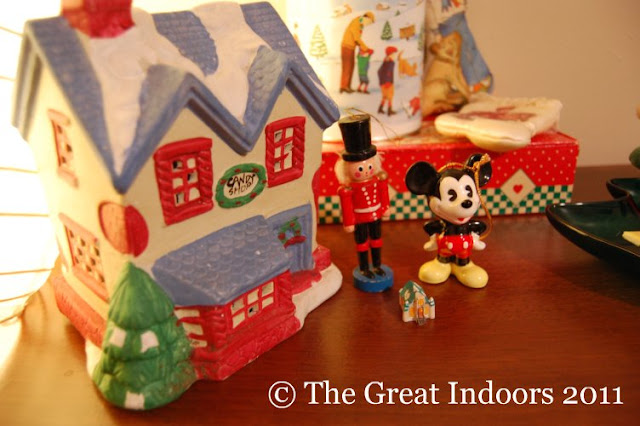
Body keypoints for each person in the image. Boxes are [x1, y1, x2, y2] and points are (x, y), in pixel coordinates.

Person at [335, 114, 390, 280]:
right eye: (360, 168)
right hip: (359, 218)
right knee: (361, 243)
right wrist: (349, 222)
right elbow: (347, 206)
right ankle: (364, 268)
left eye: (369, 166)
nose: (365, 171)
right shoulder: (348, 189)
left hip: (375, 215)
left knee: (377, 240)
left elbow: (383, 193)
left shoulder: (378, 180)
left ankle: (377, 265)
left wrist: (385, 207)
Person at [340, 12, 375, 94]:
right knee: (347, 67)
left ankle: (347, 86)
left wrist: (363, 48)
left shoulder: (360, 24)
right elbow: (357, 38)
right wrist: (366, 49)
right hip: (347, 46)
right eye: (369, 22)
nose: (368, 24)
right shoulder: (356, 23)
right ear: (366, 18)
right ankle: (343, 87)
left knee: (351, 66)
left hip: (351, 47)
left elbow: (357, 39)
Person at [377, 46, 398, 116]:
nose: (395, 55)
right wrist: (387, 82)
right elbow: (387, 73)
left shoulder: (385, 61)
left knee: (384, 96)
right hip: (388, 83)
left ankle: (380, 109)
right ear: (390, 54)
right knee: (390, 96)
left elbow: (379, 71)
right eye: (394, 54)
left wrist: (381, 82)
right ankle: (389, 110)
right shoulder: (390, 62)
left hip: (383, 83)